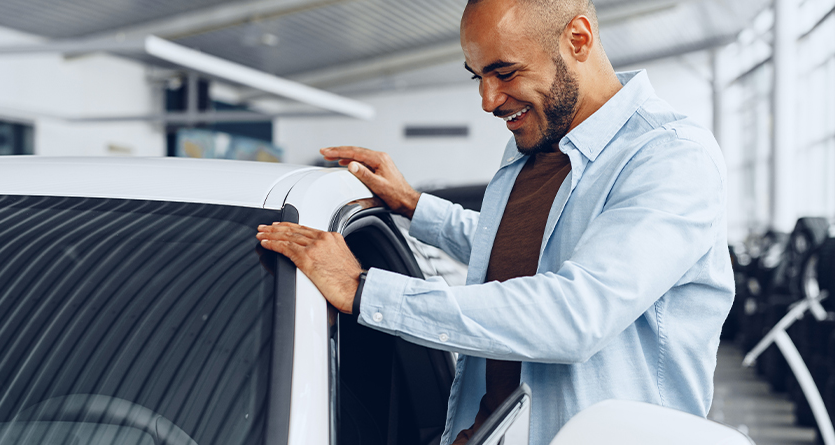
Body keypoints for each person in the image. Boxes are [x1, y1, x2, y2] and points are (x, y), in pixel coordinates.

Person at [256, 0, 734, 443]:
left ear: (579, 39)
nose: (488, 100)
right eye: (477, 77)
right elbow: (516, 254)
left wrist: (364, 290)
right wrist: (414, 205)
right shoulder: (532, 148)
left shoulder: (670, 157)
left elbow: (576, 314)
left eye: (504, 72)